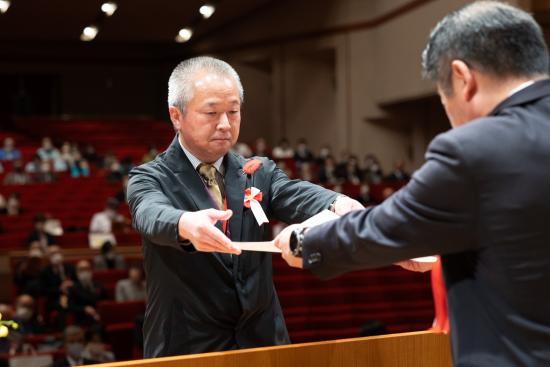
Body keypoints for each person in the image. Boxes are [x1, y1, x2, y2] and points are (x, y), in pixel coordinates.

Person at [274, 2, 550, 366]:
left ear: (462, 78)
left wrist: (303, 241)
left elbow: (380, 229)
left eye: (442, 97)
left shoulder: (472, 149)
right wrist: (440, 249)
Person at [126, 56, 362, 358]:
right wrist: (185, 223)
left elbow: (297, 194)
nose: (225, 124)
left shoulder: (257, 171)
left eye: (233, 112)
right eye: (211, 113)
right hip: (187, 348)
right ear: (176, 116)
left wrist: (339, 203)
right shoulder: (149, 177)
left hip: (264, 344)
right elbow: (150, 213)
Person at [68, 260, 107, 325]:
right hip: (83, 318)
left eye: (87, 269)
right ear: (77, 273)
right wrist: (84, 309)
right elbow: (70, 307)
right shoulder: (73, 288)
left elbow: (106, 300)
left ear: (91, 271)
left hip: (100, 315)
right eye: (82, 270)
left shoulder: (99, 285)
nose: (85, 272)